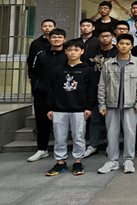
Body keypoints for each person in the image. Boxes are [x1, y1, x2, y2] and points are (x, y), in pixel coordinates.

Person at [97, 34, 137, 174]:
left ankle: (128, 160)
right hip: (111, 104)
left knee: (130, 133)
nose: (124, 46)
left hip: (131, 105)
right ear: (117, 45)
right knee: (112, 134)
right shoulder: (108, 64)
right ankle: (112, 161)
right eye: (121, 43)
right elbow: (102, 85)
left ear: (131, 46)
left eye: (127, 44)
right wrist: (102, 104)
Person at [45, 40, 94, 176]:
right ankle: (60, 162)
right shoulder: (57, 70)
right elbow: (51, 90)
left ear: (82, 51)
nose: (73, 52)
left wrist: (89, 108)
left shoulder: (87, 70)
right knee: (60, 137)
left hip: (79, 109)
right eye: (70, 50)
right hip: (59, 109)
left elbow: (91, 91)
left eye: (76, 50)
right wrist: (50, 108)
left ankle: (78, 161)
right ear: (65, 51)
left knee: (79, 136)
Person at [27, 27, 66, 162]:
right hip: (43, 94)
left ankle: (62, 150)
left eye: (59, 37)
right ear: (49, 39)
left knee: (62, 123)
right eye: (54, 37)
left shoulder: (68, 54)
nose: (56, 39)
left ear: (64, 39)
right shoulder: (41, 54)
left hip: (63, 94)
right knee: (42, 122)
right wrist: (36, 87)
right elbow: (33, 72)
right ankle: (42, 149)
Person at [84, 27, 118, 158]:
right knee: (95, 119)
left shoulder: (117, 51)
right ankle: (93, 145)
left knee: (112, 120)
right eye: (102, 36)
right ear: (98, 38)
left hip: (113, 89)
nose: (105, 38)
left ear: (112, 37)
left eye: (107, 36)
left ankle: (111, 145)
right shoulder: (92, 52)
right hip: (94, 89)